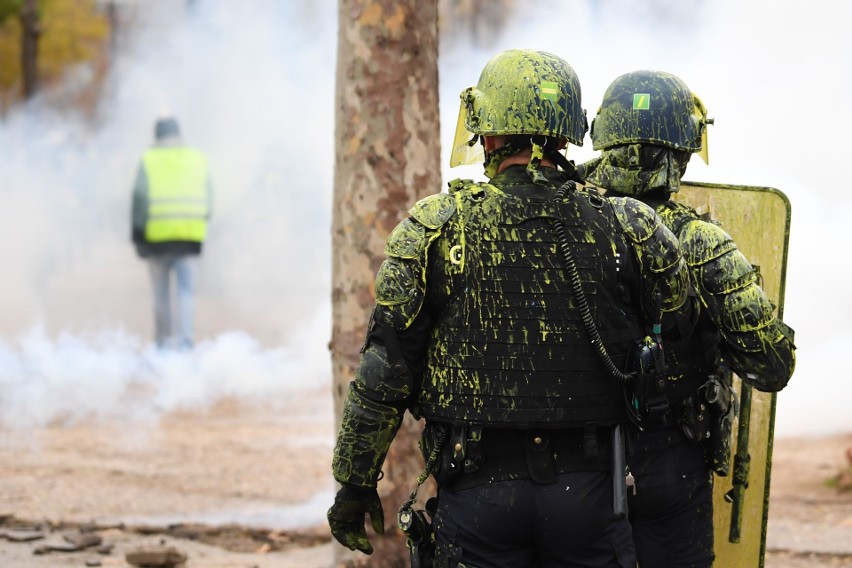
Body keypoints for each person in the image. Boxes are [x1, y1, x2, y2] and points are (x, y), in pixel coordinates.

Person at [327, 49, 697, 568]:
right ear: (569, 136)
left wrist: (355, 481)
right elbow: (678, 332)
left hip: (479, 494)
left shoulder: (437, 226)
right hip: (590, 493)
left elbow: (385, 367)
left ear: (489, 135)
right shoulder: (631, 227)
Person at [579, 69, 797, 568]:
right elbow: (772, 367)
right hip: (667, 463)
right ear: (682, 151)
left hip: (566, 467)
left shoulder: (560, 226)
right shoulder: (702, 241)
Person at [131, 116, 212, 350]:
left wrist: (138, 234)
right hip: (190, 236)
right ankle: (186, 343)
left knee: (160, 293)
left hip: (156, 238)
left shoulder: (149, 159)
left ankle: (163, 344)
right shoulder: (198, 158)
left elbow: (139, 198)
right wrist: (200, 224)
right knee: (186, 292)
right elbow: (209, 199)